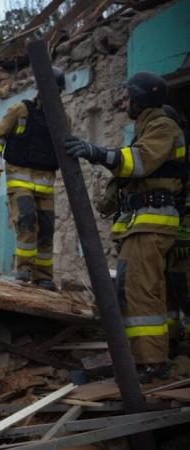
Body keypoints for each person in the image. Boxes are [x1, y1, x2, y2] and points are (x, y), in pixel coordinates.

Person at [66, 72, 185, 382]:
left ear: (141, 98)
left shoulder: (163, 126)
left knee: (138, 291)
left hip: (151, 223)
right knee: (148, 290)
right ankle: (158, 352)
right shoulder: (147, 128)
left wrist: (95, 152)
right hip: (141, 223)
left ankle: (151, 362)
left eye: (127, 96)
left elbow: (139, 162)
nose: (123, 102)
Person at [0, 67, 69, 291]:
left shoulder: (62, 119)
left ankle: (43, 276)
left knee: (47, 228)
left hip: (46, 183)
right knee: (27, 219)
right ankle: (24, 269)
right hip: (20, 177)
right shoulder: (20, 110)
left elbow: (65, 150)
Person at [160, 104, 189, 354]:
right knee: (167, 289)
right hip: (169, 231)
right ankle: (171, 341)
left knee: (184, 289)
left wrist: (185, 234)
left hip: (183, 237)